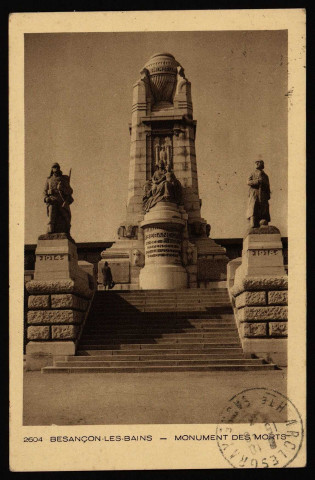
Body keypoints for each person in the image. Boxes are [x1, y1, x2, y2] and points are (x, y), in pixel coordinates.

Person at [43, 163, 73, 233]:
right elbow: (44, 192)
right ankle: (50, 229)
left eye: (57, 167)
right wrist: (46, 198)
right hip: (52, 200)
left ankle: (67, 229)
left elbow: (70, 191)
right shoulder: (49, 180)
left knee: (66, 217)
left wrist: (62, 188)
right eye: (54, 167)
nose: (56, 169)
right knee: (51, 217)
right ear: (52, 169)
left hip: (62, 200)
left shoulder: (64, 179)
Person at [246, 160, 271, 228]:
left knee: (263, 207)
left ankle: (263, 220)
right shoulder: (252, 173)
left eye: (259, 163)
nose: (257, 164)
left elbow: (268, 186)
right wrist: (257, 181)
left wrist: (268, 194)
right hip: (254, 193)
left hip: (263, 194)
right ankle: (253, 221)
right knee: (254, 206)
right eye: (256, 163)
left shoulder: (265, 176)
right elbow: (248, 182)